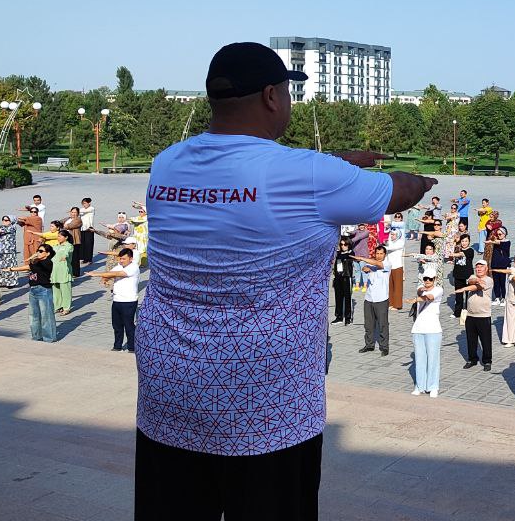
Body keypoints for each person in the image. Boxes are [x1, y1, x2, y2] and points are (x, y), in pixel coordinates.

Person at [135, 42, 433, 519]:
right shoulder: (307, 175)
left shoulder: (168, 162)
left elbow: (253, 176)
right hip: (268, 405)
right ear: (273, 96)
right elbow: (397, 192)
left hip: (171, 391)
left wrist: (336, 162)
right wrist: (418, 182)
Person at [87, 247, 142, 352]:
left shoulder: (134, 267)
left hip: (129, 301)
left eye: (124, 259)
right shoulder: (119, 266)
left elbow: (117, 274)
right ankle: (117, 346)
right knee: (117, 325)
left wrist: (97, 274)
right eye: (120, 258)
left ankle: (132, 347)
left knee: (129, 325)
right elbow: (111, 273)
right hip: (117, 300)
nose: (121, 261)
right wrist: (104, 279)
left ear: (130, 259)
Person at [7, 243, 57, 342]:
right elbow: (29, 266)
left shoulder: (47, 262)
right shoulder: (37, 262)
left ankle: (49, 338)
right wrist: (11, 269)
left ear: (47, 253)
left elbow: (28, 267)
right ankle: (36, 336)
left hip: (44, 290)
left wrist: (12, 269)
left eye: (41, 251)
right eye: (38, 250)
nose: (38, 252)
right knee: (34, 315)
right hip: (33, 290)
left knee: (46, 315)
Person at [407, 276, 444, 397]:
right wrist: (421, 290)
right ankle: (419, 386)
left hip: (433, 329)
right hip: (418, 328)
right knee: (419, 358)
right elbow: (420, 290)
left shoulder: (439, 289)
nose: (427, 281)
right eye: (425, 279)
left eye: (430, 279)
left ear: (435, 279)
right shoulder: (421, 288)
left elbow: (430, 297)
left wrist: (416, 299)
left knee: (433, 359)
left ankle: (433, 386)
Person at [453, 260, 493, 371]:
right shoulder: (472, 276)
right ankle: (472, 359)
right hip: (470, 315)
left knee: (485, 340)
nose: (479, 269)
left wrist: (464, 289)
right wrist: (475, 280)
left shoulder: (489, 280)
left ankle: (487, 361)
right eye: (477, 267)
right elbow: (471, 281)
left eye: (481, 267)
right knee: (471, 339)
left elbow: (477, 287)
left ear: (486, 269)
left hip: (483, 315)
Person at [357, 246, 391, 355]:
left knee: (382, 324)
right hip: (369, 299)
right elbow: (364, 268)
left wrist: (363, 259)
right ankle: (369, 345)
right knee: (368, 324)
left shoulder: (387, 264)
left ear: (385, 255)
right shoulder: (371, 263)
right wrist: (365, 268)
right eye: (377, 253)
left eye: (381, 253)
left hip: (381, 299)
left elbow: (378, 265)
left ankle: (384, 347)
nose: (379, 255)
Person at [330, 237, 355, 325]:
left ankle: (348, 317)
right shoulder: (337, 253)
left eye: (345, 244)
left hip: (346, 277)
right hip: (338, 277)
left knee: (347, 298)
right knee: (338, 297)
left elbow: (345, 256)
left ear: (349, 244)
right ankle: (339, 316)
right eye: (341, 244)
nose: (343, 246)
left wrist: (337, 254)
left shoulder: (351, 252)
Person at [0, 215, 19, 288]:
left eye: (6, 220)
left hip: (10, 251)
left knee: (10, 267)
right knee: (1, 266)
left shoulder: (12, 227)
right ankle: (2, 282)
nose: (4, 222)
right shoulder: (2, 227)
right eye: (3, 220)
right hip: (1, 250)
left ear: (11, 221)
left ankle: (11, 282)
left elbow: (1, 230)